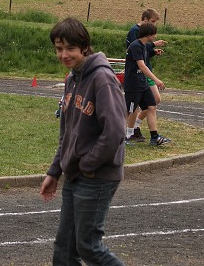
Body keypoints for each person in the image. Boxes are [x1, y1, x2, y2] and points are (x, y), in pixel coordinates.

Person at [40, 17, 126, 266]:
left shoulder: (102, 79)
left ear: (84, 48)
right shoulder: (71, 80)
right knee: (64, 250)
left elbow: (115, 131)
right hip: (74, 174)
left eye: (70, 49)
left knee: (88, 246)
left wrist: (88, 164)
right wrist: (55, 171)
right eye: (59, 48)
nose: (64, 54)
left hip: (96, 176)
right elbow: (67, 133)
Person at [124, 22, 171, 146]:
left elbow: (145, 59)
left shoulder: (144, 46)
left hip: (142, 82)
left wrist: (154, 52)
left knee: (151, 106)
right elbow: (142, 66)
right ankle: (124, 136)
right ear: (149, 34)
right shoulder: (135, 46)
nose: (155, 37)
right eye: (154, 34)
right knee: (129, 110)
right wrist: (156, 80)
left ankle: (154, 137)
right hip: (133, 83)